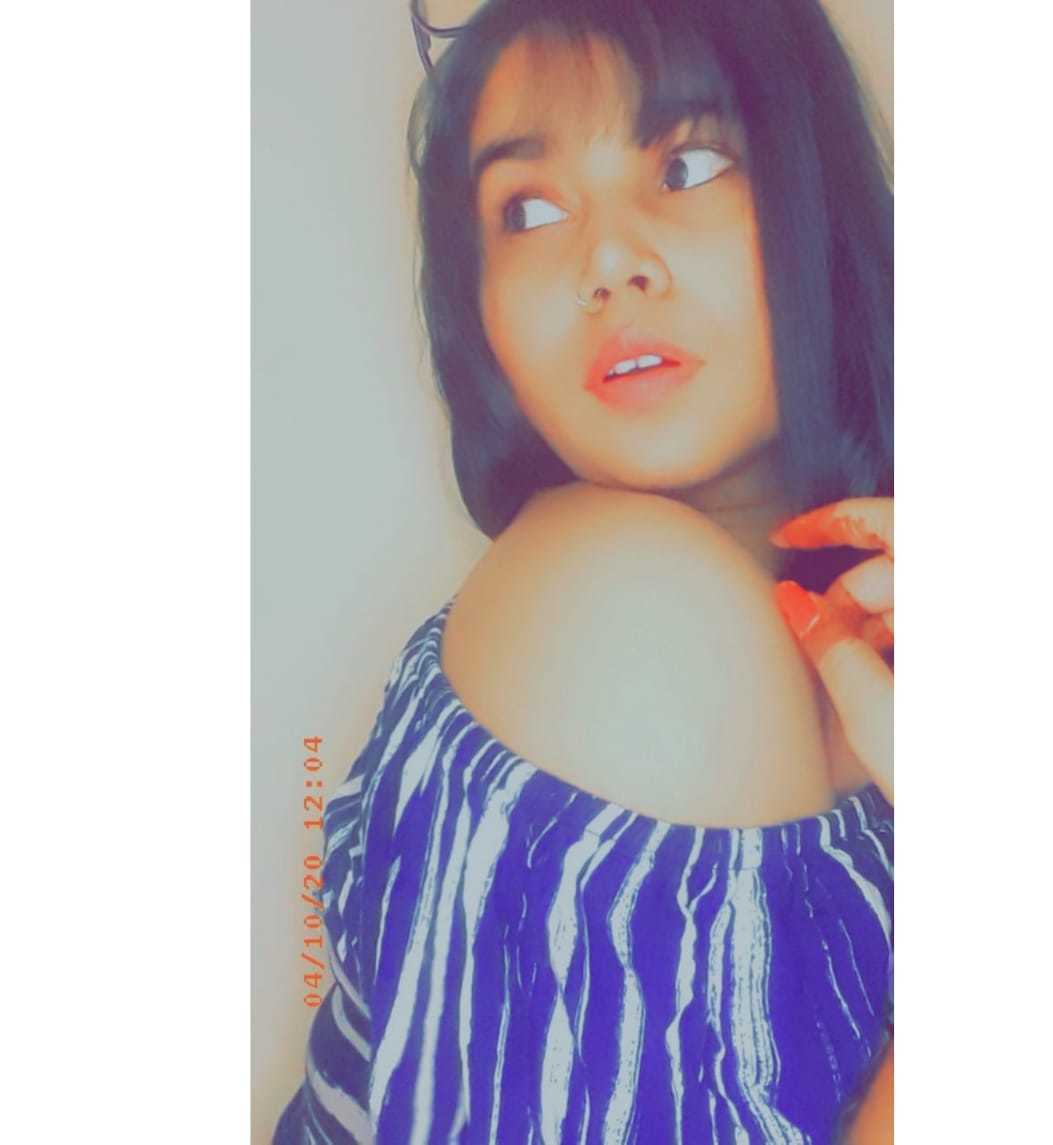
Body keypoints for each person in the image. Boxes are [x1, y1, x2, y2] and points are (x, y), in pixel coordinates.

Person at [274, 0, 893, 1140]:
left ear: (813, 201)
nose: (606, 260)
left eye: (688, 163)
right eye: (529, 208)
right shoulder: (618, 611)